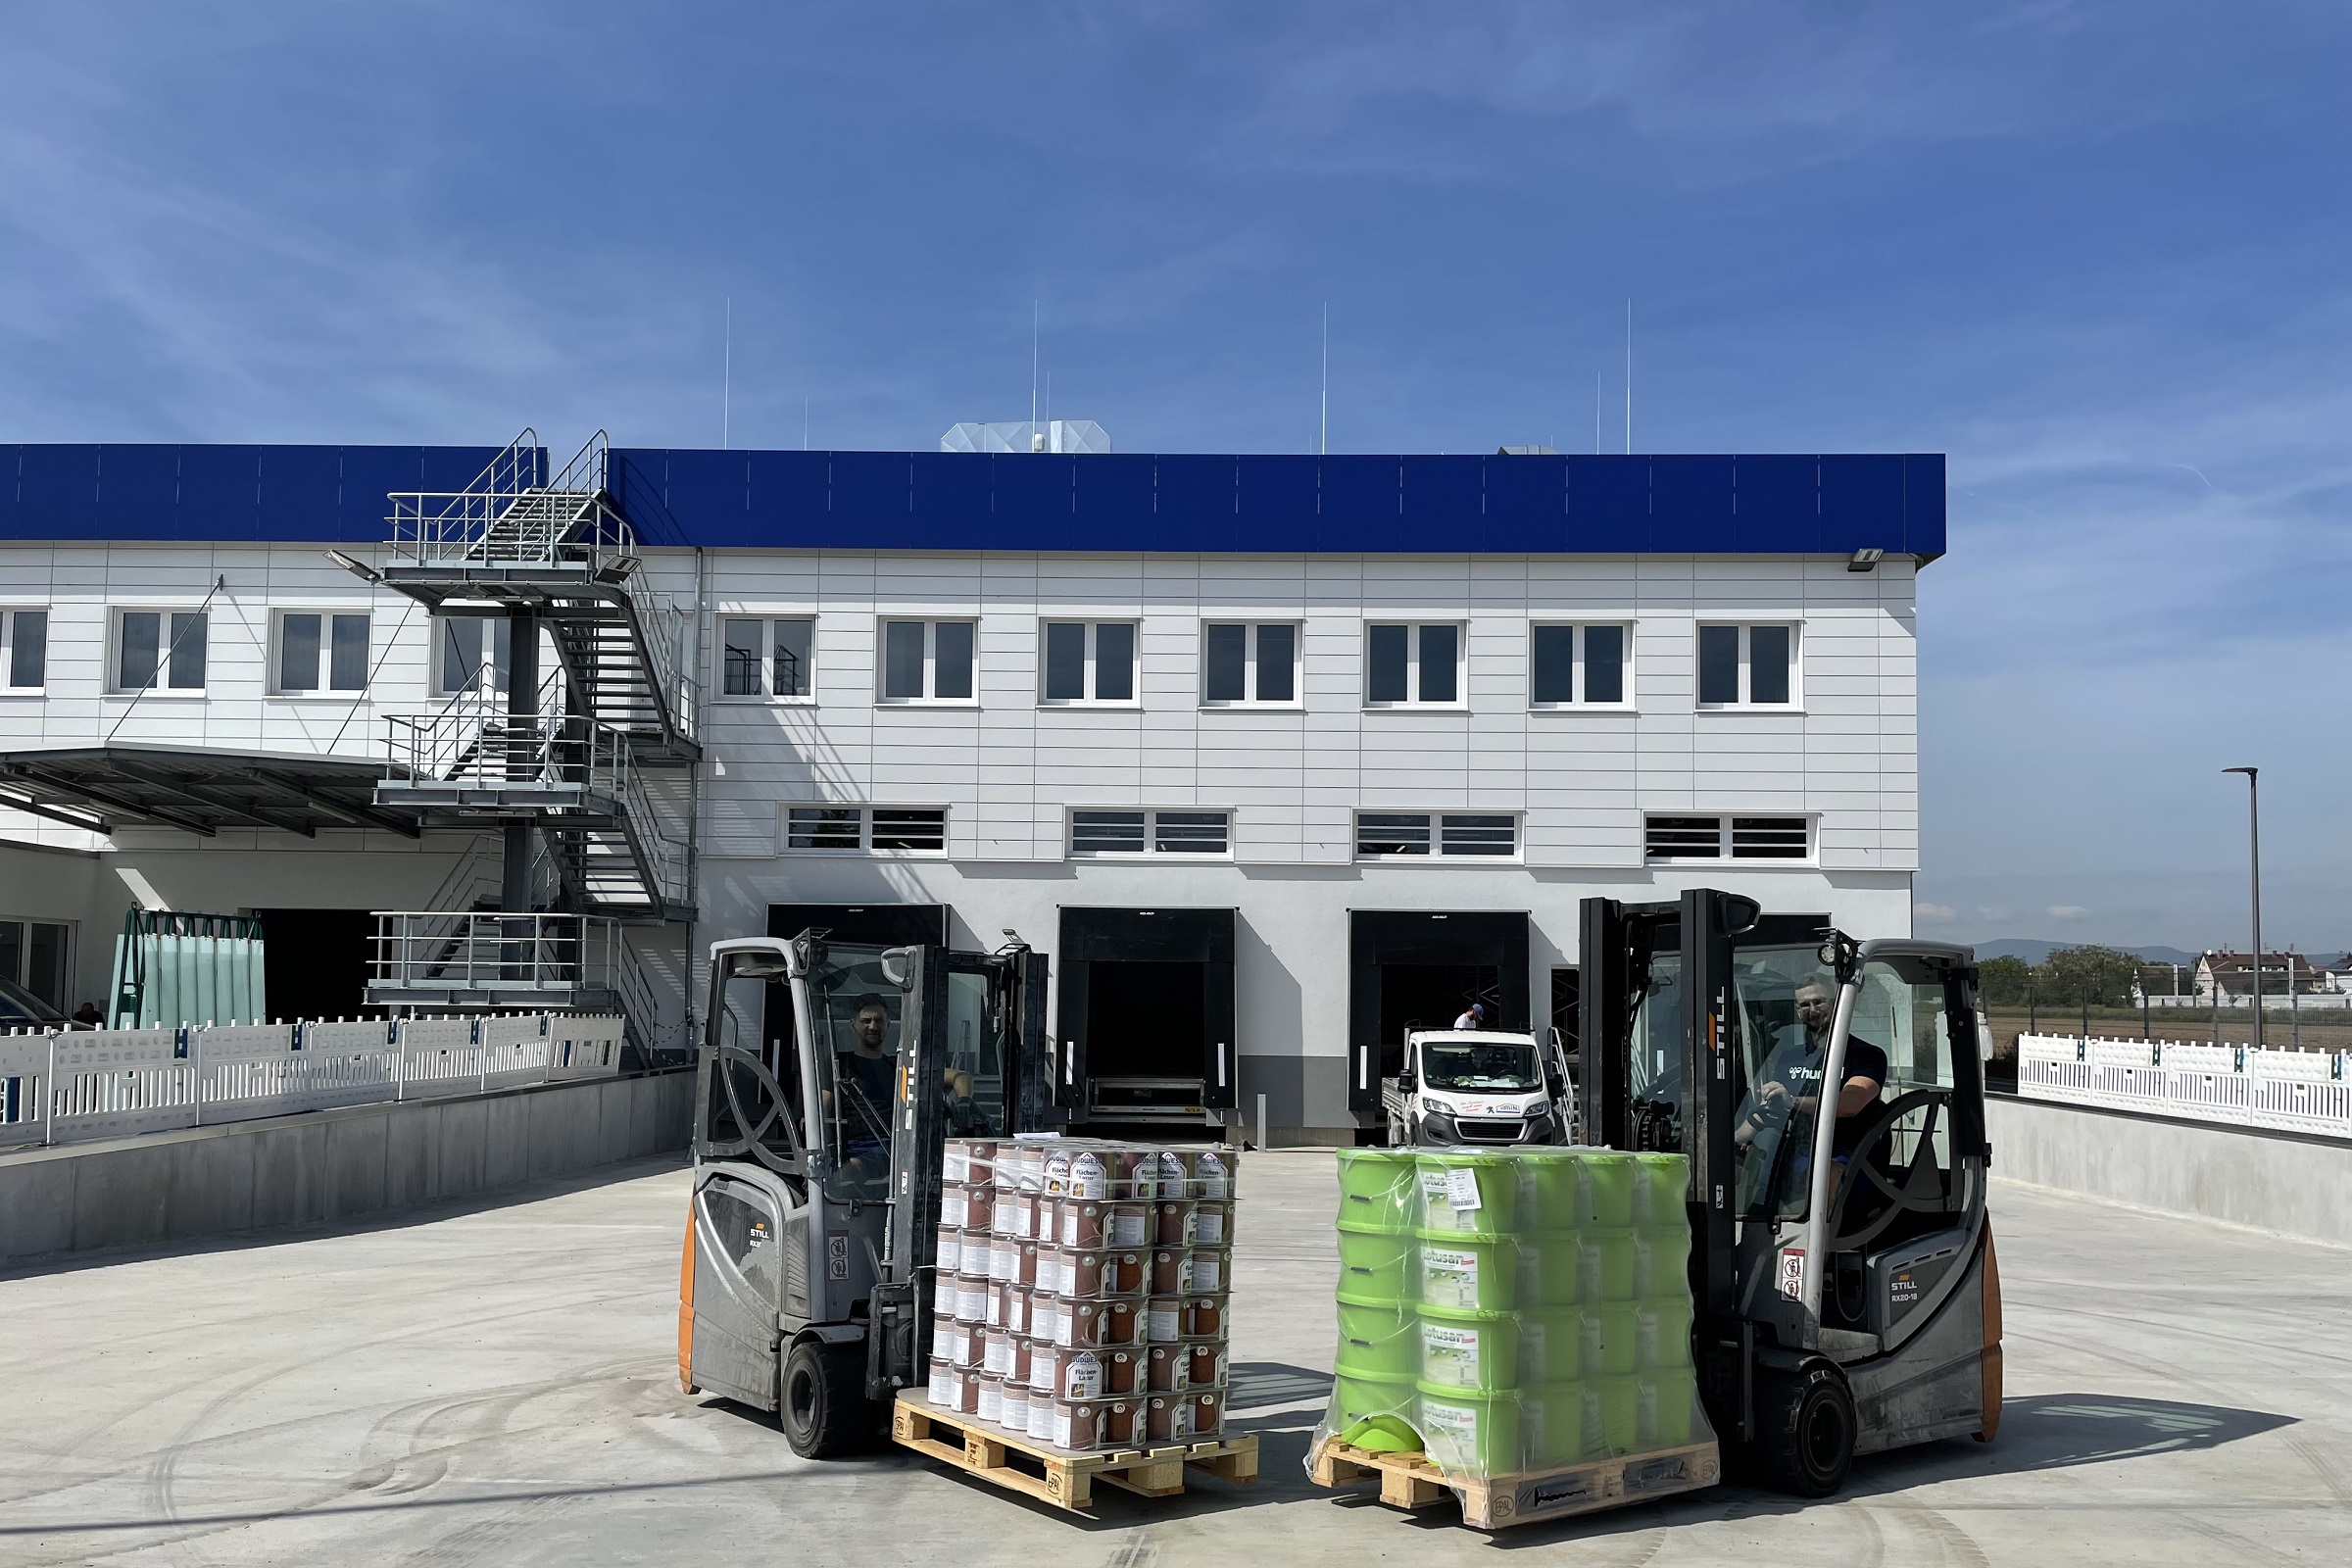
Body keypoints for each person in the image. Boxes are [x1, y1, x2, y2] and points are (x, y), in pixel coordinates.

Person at [1733, 974, 1887, 1192]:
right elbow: (1773, 1109)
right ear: (1797, 1011)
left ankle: (1822, 1225)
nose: (1812, 1010)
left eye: (1818, 1002)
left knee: (1826, 1174)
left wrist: (1792, 1102)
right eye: (1804, 1005)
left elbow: (1849, 1105)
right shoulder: (1789, 1058)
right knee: (1729, 1167)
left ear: (1835, 1003)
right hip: (1795, 1150)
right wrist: (1732, 1141)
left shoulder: (1866, 1055)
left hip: (1848, 1156)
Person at [830, 993, 897, 1178]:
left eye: (879, 1021)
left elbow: (958, 1076)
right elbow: (821, 1108)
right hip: (856, 1152)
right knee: (847, 1172)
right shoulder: (839, 1064)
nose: (873, 1026)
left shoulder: (898, 1065)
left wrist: (963, 1098)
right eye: (866, 1020)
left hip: (896, 1150)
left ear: (888, 1024)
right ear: (853, 1025)